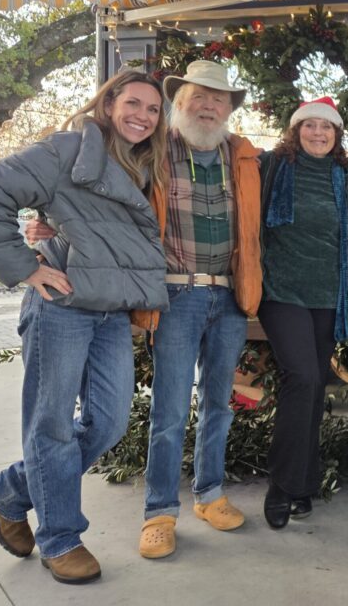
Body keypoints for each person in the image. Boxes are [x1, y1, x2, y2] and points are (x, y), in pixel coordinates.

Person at [0, 70, 169, 584]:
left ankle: (8, 492)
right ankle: (60, 538)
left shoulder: (144, 165)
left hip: (110, 311)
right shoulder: (67, 149)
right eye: (133, 103)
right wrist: (25, 266)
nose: (143, 116)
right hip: (61, 307)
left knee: (109, 422)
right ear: (109, 103)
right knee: (51, 424)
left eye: (153, 109)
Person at [137, 60, 263, 559]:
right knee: (169, 411)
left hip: (229, 297)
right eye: (199, 96)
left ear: (229, 108)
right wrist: (47, 226)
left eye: (218, 98)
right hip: (175, 296)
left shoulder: (243, 156)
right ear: (179, 101)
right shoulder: (153, 151)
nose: (208, 106)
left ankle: (209, 494)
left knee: (218, 404)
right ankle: (159, 512)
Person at [258, 96, 348, 530]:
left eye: (326, 127)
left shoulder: (346, 176)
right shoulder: (272, 167)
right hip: (281, 291)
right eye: (309, 126)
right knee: (302, 377)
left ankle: (304, 481)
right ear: (295, 130)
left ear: (337, 134)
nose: (318, 133)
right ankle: (282, 485)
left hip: (327, 295)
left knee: (316, 386)